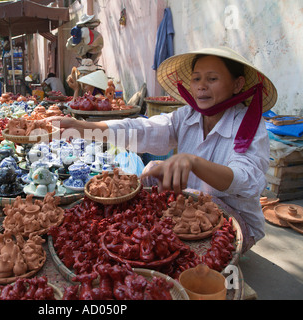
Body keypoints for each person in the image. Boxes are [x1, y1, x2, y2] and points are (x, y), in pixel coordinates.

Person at [46, 47, 277, 253]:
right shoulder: (188, 116)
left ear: (237, 84)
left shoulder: (249, 125)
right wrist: (84, 127)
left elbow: (247, 180)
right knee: (147, 178)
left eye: (212, 78)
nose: (201, 86)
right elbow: (142, 129)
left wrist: (193, 162)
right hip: (191, 208)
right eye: (196, 79)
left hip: (235, 218)